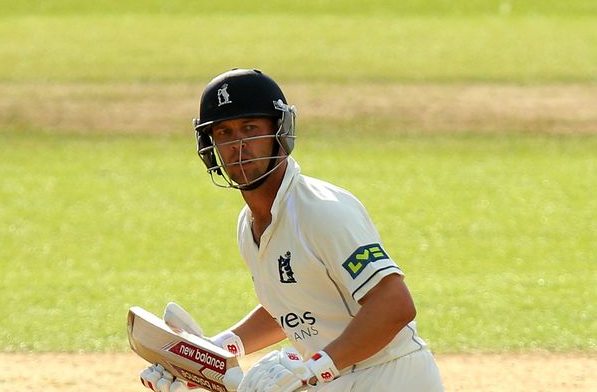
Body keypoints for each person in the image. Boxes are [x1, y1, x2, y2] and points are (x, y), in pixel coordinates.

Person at [140, 69, 444, 392]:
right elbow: (294, 306)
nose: (237, 146)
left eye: (250, 128)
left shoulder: (323, 211)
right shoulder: (249, 225)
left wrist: (314, 370)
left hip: (392, 377)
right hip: (336, 379)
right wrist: (215, 351)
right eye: (224, 132)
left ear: (280, 131)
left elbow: (394, 304)